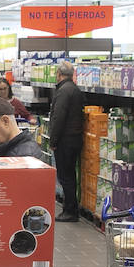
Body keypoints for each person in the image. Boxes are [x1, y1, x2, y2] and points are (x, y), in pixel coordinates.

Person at [49, 62, 86, 222]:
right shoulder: (74, 89)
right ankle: (71, 209)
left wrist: (53, 140)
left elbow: (59, 117)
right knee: (70, 175)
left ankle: (70, 211)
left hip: (65, 139)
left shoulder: (63, 91)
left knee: (66, 176)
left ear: (59, 73)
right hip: (74, 138)